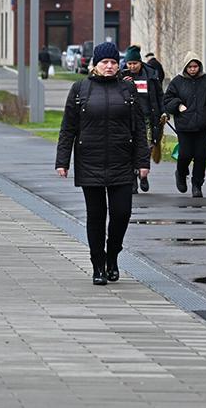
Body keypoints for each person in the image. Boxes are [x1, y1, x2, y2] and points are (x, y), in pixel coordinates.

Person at [56, 42, 150, 285]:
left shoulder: (127, 90)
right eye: (103, 63)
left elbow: (139, 128)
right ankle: (98, 265)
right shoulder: (80, 89)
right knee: (96, 216)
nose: (109, 67)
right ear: (95, 65)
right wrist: (62, 161)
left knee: (122, 213)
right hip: (90, 162)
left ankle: (112, 256)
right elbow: (68, 128)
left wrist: (143, 162)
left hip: (121, 161)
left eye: (112, 62)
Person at [162, 52, 206, 198]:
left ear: (199, 66)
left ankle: (197, 185)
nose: (193, 69)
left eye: (195, 66)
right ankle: (181, 173)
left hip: (203, 125)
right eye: (190, 66)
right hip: (184, 125)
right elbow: (167, 100)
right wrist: (178, 106)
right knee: (185, 154)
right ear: (185, 67)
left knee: (200, 156)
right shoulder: (177, 82)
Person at [121, 45, 163, 192]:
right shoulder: (120, 76)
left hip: (147, 118)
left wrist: (163, 112)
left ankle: (143, 175)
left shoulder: (151, 75)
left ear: (140, 62)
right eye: (129, 64)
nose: (132, 67)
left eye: (135, 63)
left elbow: (159, 95)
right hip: (128, 118)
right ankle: (132, 179)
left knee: (146, 147)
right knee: (130, 148)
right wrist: (122, 83)